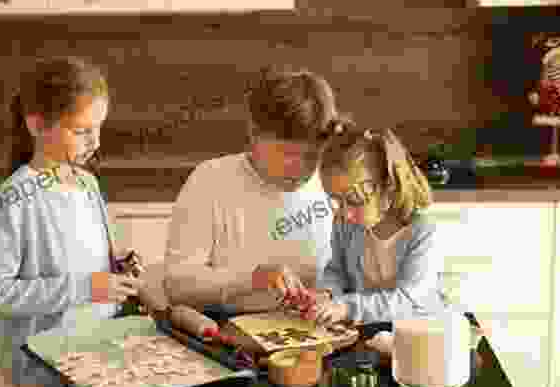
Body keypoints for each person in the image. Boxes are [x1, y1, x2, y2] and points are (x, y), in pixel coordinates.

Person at [0, 56, 144, 387]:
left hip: (94, 352)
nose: (96, 142)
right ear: (37, 125)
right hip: (48, 364)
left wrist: (118, 264)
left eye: (99, 129)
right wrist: (87, 287)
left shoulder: (87, 183)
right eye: (82, 131)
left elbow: (92, 258)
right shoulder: (15, 197)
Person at [163, 66, 338, 315]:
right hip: (230, 334)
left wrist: (332, 295)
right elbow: (177, 286)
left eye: (311, 155)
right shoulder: (210, 182)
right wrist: (251, 280)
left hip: (314, 331)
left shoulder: (336, 183)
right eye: (285, 153)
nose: (299, 168)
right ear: (254, 133)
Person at [314, 118, 449, 325]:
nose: (343, 212)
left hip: (420, 333)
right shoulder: (344, 222)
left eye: (354, 200)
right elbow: (337, 270)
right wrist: (327, 294)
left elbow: (407, 301)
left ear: (389, 189)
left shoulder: (423, 232)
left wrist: (345, 307)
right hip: (368, 332)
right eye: (336, 200)